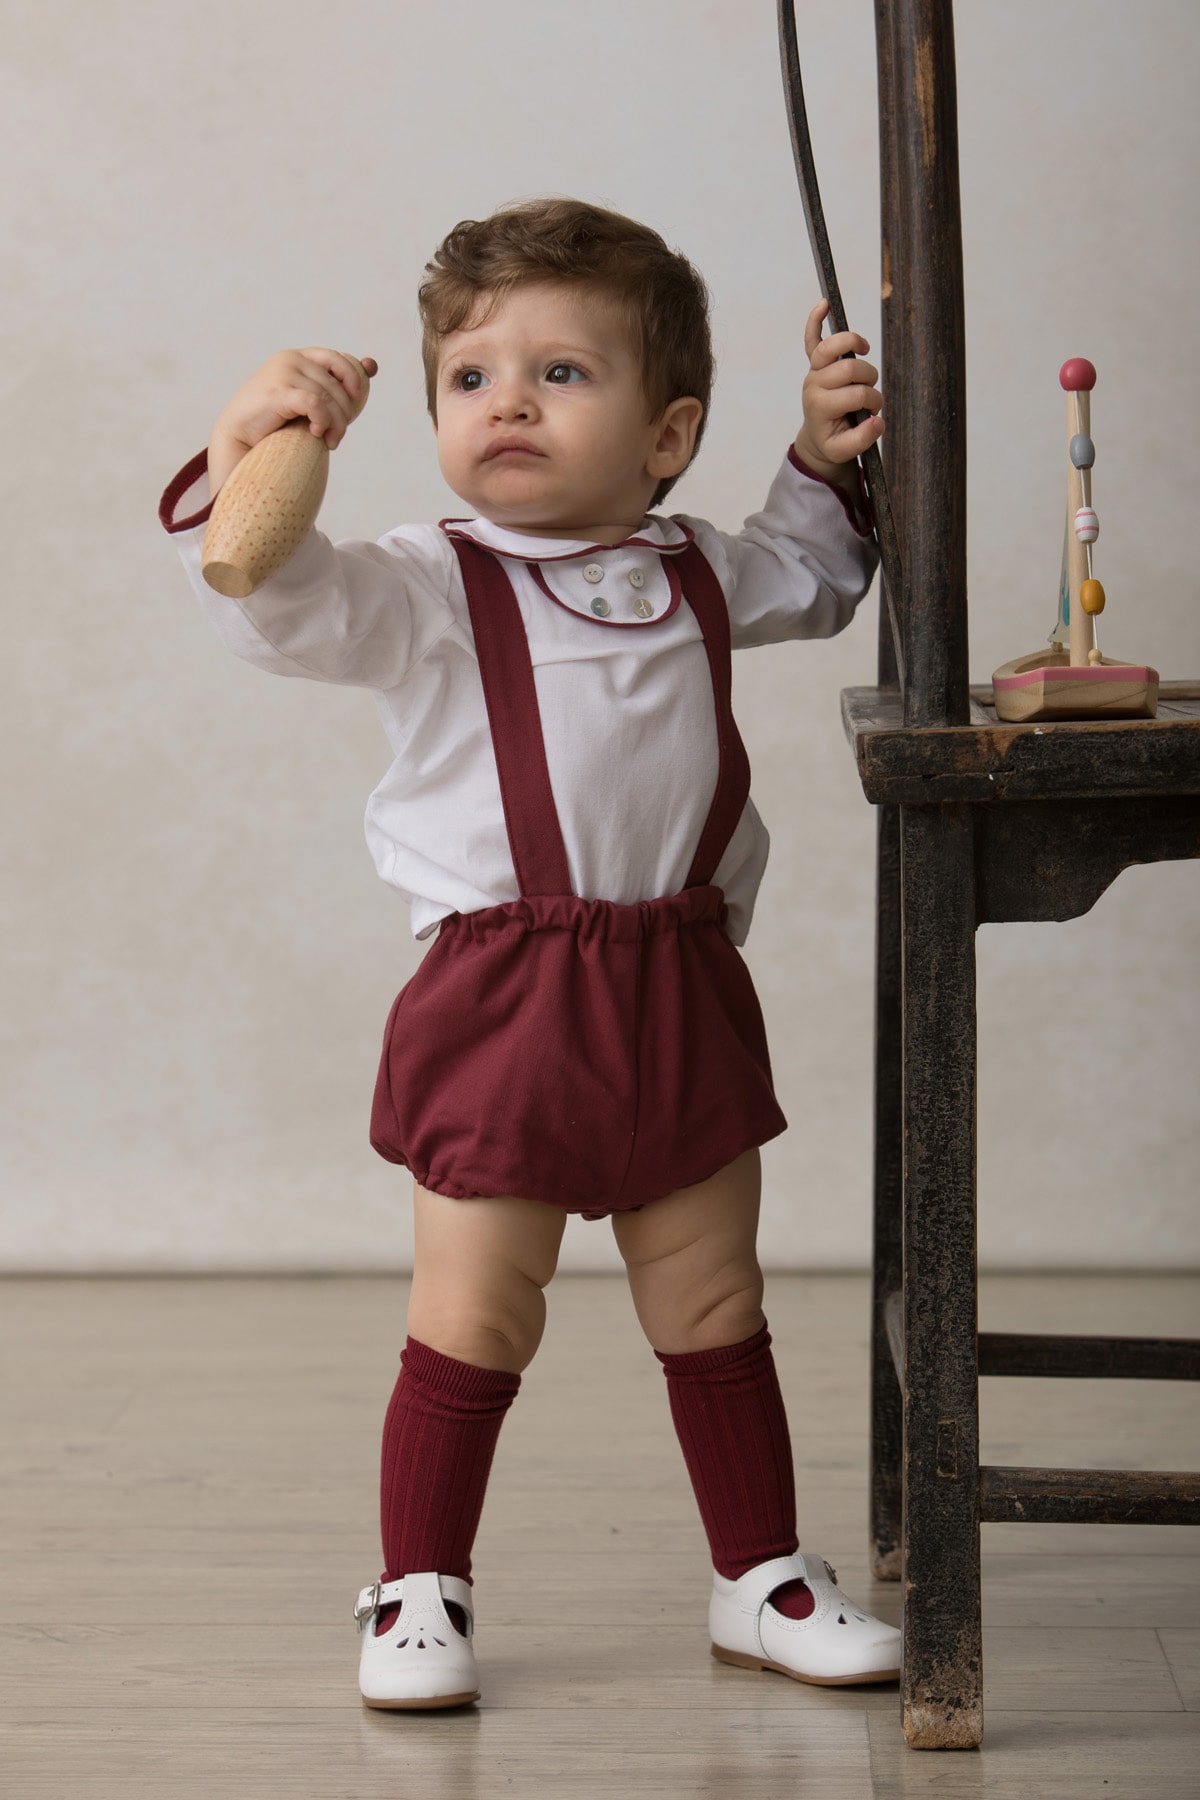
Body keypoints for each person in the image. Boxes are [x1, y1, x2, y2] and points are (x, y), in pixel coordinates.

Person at [159, 199, 900, 1711]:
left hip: (679, 980)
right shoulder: (426, 583)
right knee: (477, 1306)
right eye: (472, 377)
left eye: (564, 374)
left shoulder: (699, 565)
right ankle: (419, 1582)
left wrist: (826, 455)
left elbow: (815, 576)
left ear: (668, 431)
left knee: (712, 1296)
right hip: (502, 996)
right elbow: (280, 605)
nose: (509, 401)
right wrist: (246, 454)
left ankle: (759, 1571)